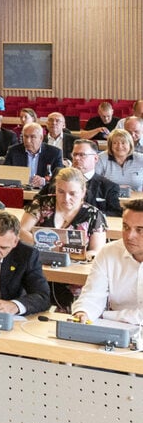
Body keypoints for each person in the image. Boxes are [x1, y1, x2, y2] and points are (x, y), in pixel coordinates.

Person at [20, 167, 107, 308]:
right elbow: (22, 231)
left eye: (72, 193)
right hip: (39, 266)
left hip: (73, 271)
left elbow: (97, 251)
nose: (66, 198)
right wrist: (47, 248)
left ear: (83, 192)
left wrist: (70, 255)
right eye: (61, 192)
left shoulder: (94, 215)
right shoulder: (42, 204)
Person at [71, 198, 143, 325]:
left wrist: (104, 315)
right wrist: (84, 312)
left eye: (140, 230)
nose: (129, 236)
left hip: (115, 322)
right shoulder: (109, 252)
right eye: (126, 227)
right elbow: (93, 294)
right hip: (118, 329)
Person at [37, 139, 122, 217]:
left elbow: (116, 214)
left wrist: (88, 215)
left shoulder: (108, 186)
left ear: (95, 158)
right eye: (75, 154)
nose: (77, 158)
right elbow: (38, 199)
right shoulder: (59, 175)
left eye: (82, 155)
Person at [2, 122, 63, 188]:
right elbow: (5, 174)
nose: (28, 141)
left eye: (32, 137)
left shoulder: (54, 153)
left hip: (43, 192)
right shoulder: (13, 151)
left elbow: (60, 177)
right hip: (20, 190)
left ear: (41, 138)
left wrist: (44, 181)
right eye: (25, 136)